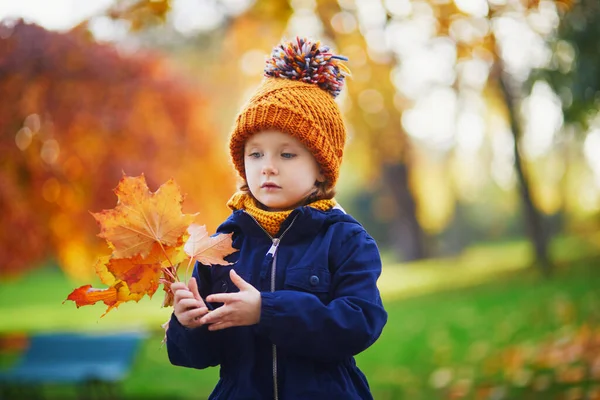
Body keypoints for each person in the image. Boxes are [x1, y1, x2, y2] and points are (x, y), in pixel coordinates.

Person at [166, 37, 388, 400]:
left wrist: (268, 311)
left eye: (287, 155)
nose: (268, 167)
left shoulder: (345, 239)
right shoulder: (224, 243)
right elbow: (197, 356)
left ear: (321, 169)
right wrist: (187, 325)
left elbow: (360, 323)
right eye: (255, 154)